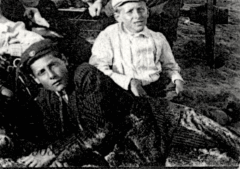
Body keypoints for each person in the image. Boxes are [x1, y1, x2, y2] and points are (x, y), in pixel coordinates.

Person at [21, 40, 240, 166]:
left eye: (53, 65)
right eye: (41, 72)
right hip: (129, 141)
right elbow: (61, 134)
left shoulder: (84, 75)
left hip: (160, 122)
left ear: (65, 61)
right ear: (35, 79)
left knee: (221, 137)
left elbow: (101, 129)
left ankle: (228, 109)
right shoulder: (47, 98)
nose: (51, 75)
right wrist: (52, 151)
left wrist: (54, 151)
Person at [90, 0, 184, 98]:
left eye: (141, 10)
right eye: (130, 12)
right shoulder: (109, 35)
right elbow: (98, 67)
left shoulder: (158, 38)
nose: (137, 16)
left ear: (147, 12)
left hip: (153, 88)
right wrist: (128, 82)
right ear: (117, 17)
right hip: (122, 88)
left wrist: (177, 79)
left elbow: (170, 66)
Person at [2, 0, 91, 65]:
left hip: (53, 46)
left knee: (80, 45)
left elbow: (70, 29)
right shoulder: (11, 9)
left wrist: (43, 21)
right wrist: (39, 31)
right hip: (30, 50)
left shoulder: (46, 4)